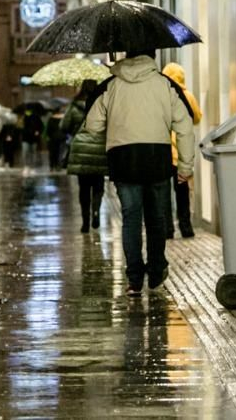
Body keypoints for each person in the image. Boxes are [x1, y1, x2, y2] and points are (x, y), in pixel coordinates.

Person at [83, 53, 195, 295]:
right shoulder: (165, 84)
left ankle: (134, 279)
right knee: (156, 219)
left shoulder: (111, 85)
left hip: (123, 160)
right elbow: (185, 126)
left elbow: (92, 126)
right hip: (157, 157)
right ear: (152, 56)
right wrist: (185, 167)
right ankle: (156, 272)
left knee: (131, 220)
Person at [161, 62, 203, 238]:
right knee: (182, 192)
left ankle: (168, 229)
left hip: (164, 153)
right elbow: (197, 118)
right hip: (181, 154)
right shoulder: (188, 96)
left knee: (164, 194)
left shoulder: (161, 95)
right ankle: (186, 227)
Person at [63, 79, 106, 233]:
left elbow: (64, 126)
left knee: (84, 188)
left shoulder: (74, 105)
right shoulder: (103, 103)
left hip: (80, 149)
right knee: (98, 187)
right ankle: (96, 211)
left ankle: (85, 222)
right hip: (100, 149)